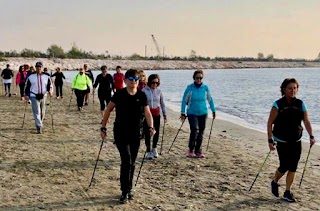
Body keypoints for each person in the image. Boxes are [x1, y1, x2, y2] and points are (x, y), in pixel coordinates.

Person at [100, 69, 155, 203]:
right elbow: (108, 110)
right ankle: (124, 191)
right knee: (126, 160)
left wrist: (151, 127)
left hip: (136, 133)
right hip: (120, 132)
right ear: (125, 80)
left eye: (136, 79)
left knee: (132, 162)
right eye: (131, 79)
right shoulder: (119, 94)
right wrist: (103, 127)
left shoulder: (142, 96)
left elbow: (147, 113)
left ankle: (129, 189)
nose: (134, 81)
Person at [267, 78, 316, 203]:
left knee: (293, 166)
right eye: (290, 88)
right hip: (281, 141)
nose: (293, 90)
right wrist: (270, 140)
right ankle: (274, 181)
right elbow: (270, 123)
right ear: (284, 89)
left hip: (296, 140)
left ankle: (287, 192)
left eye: (295, 88)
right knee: (284, 166)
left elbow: (306, 121)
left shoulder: (300, 104)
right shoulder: (277, 105)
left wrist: (311, 136)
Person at [180, 69, 216, 158]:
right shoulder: (190, 88)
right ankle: (191, 150)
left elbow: (210, 100)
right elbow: (184, 101)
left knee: (201, 131)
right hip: (192, 112)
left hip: (203, 113)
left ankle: (198, 151)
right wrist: (182, 112)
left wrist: (213, 110)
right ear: (194, 78)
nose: (199, 79)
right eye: (197, 78)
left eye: (200, 78)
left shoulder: (205, 88)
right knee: (194, 130)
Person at [142, 74, 167, 159]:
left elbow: (162, 103)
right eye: (153, 82)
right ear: (149, 82)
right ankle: (148, 151)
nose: (155, 84)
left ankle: (154, 148)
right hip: (147, 114)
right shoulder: (144, 90)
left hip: (157, 114)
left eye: (157, 83)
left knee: (156, 132)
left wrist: (164, 114)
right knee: (147, 132)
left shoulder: (159, 91)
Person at [24, 62, 53, 134]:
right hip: (34, 96)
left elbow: (50, 85)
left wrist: (51, 91)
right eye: (37, 67)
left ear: (42, 67)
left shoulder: (47, 76)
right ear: (35, 67)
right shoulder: (31, 76)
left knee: (43, 112)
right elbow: (26, 86)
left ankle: (40, 123)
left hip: (44, 95)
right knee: (37, 112)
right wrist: (26, 94)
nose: (39, 68)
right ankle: (39, 126)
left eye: (40, 67)